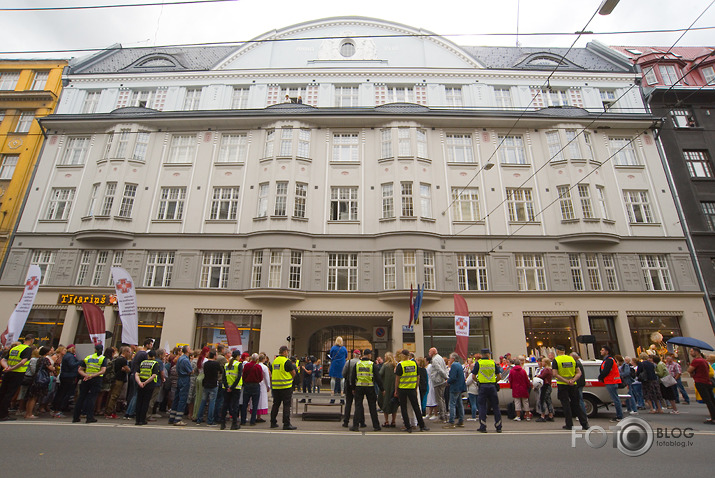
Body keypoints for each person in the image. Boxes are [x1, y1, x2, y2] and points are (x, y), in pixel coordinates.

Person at [552, 345, 588, 430]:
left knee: (566, 405)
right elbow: (579, 373)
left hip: (562, 384)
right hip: (573, 384)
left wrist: (566, 381)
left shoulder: (556, 360)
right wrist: (572, 380)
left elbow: (555, 374)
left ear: (557, 351)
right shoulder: (571, 359)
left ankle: (569, 424)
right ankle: (585, 424)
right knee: (577, 404)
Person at [0, 335, 35, 421]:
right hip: (18, 373)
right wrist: (12, 368)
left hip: (8, 372)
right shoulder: (27, 349)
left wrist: (7, 368)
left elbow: (3, 360)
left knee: (3, 392)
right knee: (10, 393)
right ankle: (3, 414)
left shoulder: (15, 348)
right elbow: (23, 362)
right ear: (32, 340)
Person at [394, 349, 429, 433]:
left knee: (404, 408)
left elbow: (397, 379)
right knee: (416, 407)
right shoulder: (414, 364)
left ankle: (408, 426)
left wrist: (396, 390)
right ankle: (422, 425)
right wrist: (416, 387)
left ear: (403, 356)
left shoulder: (400, 365)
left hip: (402, 388)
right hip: (412, 388)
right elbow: (418, 377)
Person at [73, 344, 107, 424]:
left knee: (81, 397)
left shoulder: (88, 357)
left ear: (95, 349)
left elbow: (80, 369)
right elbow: (103, 370)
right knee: (92, 398)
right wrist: (92, 376)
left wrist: (86, 375)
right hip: (96, 379)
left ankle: (75, 417)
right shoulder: (102, 358)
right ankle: (89, 417)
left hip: (86, 378)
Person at [350, 349, 383, 431]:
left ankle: (355, 425)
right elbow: (378, 378)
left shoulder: (357, 364)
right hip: (370, 387)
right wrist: (382, 389)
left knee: (358, 406)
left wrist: (353, 388)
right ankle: (376, 426)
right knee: (372, 407)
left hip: (359, 387)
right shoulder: (372, 364)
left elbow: (352, 377)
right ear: (369, 355)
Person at [472, 348, 502, 433]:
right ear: (488, 354)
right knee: (495, 406)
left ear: (482, 354)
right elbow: (499, 376)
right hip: (492, 386)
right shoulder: (493, 363)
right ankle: (498, 426)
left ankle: (483, 426)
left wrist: (478, 382)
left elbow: (473, 376)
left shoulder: (479, 363)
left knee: (482, 406)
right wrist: (494, 381)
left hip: (482, 386)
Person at [271, 345, 297, 430]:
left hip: (275, 387)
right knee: (286, 405)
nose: (287, 353)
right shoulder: (287, 361)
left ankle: (273, 422)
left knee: (276, 404)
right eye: (287, 352)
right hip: (285, 386)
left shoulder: (275, 361)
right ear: (285, 352)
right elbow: (293, 372)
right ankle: (286, 424)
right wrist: (292, 379)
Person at [687, 347, 715, 424]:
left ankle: (713, 418)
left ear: (697, 352)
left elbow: (689, 370)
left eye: (692, 351)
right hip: (707, 381)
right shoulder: (704, 361)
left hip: (700, 382)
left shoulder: (696, 361)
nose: (690, 353)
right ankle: (713, 416)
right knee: (711, 400)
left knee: (708, 400)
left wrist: (692, 372)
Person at [25, 346, 54, 418]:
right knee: (34, 397)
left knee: (31, 397)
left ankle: (28, 413)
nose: (50, 352)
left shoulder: (39, 359)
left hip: (35, 378)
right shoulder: (45, 359)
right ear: (46, 352)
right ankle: (30, 414)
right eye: (49, 351)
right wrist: (53, 367)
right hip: (40, 379)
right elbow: (51, 368)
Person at [53, 342, 81, 416]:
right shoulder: (70, 356)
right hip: (68, 376)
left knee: (62, 392)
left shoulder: (68, 356)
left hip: (66, 375)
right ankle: (57, 409)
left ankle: (57, 408)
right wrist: (80, 362)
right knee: (63, 393)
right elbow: (72, 365)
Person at [135, 349, 161, 426]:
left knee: (139, 401)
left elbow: (137, 373)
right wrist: (145, 382)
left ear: (148, 356)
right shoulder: (155, 363)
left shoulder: (142, 363)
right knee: (145, 402)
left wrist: (139, 382)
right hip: (149, 385)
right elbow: (154, 375)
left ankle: (137, 419)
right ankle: (142, 420)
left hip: (140, 384)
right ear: (154, 356)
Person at [597, 345, 623, 422]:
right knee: (615, 399)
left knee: (615, 399)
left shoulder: (609, 360)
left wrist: (600, 377)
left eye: (602, 350)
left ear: (607, 351)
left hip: (611, 381)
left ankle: (619, 416)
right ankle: (619, 415)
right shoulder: (608, 360)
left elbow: (606, 370)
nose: (601, 351)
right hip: (610, 381)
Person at [196, 350, 221, 426]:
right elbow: (221, 371)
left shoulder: (205, 364)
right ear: (214, 356)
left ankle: (199, 418)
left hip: (206, 383)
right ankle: (210, 420)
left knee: (203, 401)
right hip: (213, 383)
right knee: (212, 402)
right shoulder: (216, 364)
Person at [105, 346, 131, 418]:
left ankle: (107, 410)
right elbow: (128, 370)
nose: (130, 354)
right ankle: (109, 412)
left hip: (114, 378)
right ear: (125, 352)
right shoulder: (123, 360)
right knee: (115, 396)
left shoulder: (116, 358)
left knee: (111, 395)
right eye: (129, 352)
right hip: (119, 379)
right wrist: (127, 369)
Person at [219, 350, 242, 430]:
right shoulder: (238, 364)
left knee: (225, 405)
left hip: (226, 387)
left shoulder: (226, 364)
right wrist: (232, 387)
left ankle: (222, 423)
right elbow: (238, 377)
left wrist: (227, 386)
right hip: (235, 388)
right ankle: (234, 423)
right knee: (235, 406)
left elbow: (224, 377)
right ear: (238, 356)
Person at [169, 345, 192, 426]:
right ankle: (178, 419)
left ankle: (172, 417)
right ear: (187, 350)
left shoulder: (179, 359)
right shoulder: (186, 360)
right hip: (185, 379)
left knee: (176, 397)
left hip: (179, 378)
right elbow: (190, 371)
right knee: (182, 399)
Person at [443, 352, 466, 428]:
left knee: (452, 404)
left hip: (455, 387)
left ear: (453, 359)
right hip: (460, 387)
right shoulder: (459, 365)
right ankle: (461, 420)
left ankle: (451, 421)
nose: (449, 360)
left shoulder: (454, 365)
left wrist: (447, 381)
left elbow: (453, 377)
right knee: (459, 403)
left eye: (450, 358)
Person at [342, 349, 362, 428]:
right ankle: (361, 421)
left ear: (353, 354)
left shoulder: (348, 362)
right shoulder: (361, 363)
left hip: (349, 384)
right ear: (359, 355)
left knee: (348, 403)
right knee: (358, 404)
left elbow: (344, 373)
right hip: (358, 385)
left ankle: (346, 421)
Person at [427, 347, 449, 422]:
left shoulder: (435, 359)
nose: (428, 353)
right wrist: (446, 376)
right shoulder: (440, 358)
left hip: (438, 381)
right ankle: (444, 415)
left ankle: (442, 417)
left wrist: (445, 377)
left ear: (433, 352)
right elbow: (444, 368)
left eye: (429, 352)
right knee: (442, 399)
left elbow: (439, 369)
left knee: (439, 399)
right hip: (441, 380)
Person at [241, 353, 262, 426]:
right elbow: (261, 378)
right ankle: (252, 421)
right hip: (255, 385)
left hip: (247, 385)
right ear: (257, 359)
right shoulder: (258, 367)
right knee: (255, 404)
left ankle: (243, 420)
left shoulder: (246, 365)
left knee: (245, 403)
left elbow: (243, 376)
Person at [379, 352, 398, 427]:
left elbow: (380, 374)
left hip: (386, 386)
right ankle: (393, 421)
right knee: (394, 404)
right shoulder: (395, 365)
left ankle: (386, 421)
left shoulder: (385, 365)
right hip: (394, 387)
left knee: (385, 403)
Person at [328, 337, 347, 404]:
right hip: (342, 364)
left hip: (334, 363)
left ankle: (332, 391)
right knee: (342, 378)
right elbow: (346, 356)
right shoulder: (344, 348)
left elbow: (331, 355)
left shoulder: (333, 348)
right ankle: (342, 391)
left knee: (333, 378)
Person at [535, 357, 554, 422]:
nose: (541, 363)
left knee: (542, 401)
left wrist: (537, 376)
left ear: (545, 363)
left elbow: (541, 376)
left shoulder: (546, 370)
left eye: (542, 362)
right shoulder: (550, 369)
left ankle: (542, 416)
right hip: (548, 386)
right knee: (548, 401)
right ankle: (551, 415)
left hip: (545, 386)